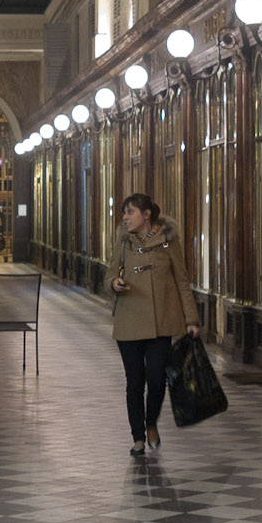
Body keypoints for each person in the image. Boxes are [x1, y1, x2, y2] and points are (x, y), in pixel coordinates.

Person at [109, 193, 201, 456]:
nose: (125, 217)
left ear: (146, 215)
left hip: (161, 322)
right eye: (124, 212)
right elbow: (111, 272)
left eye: (130, 212)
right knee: (134, 382)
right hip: (129, 320)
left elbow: (182, 281)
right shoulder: (124, 241)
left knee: (157, 379)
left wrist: (191, 319)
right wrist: (115, 283)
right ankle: (137, 437)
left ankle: (151, 424)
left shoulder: (169, 241)